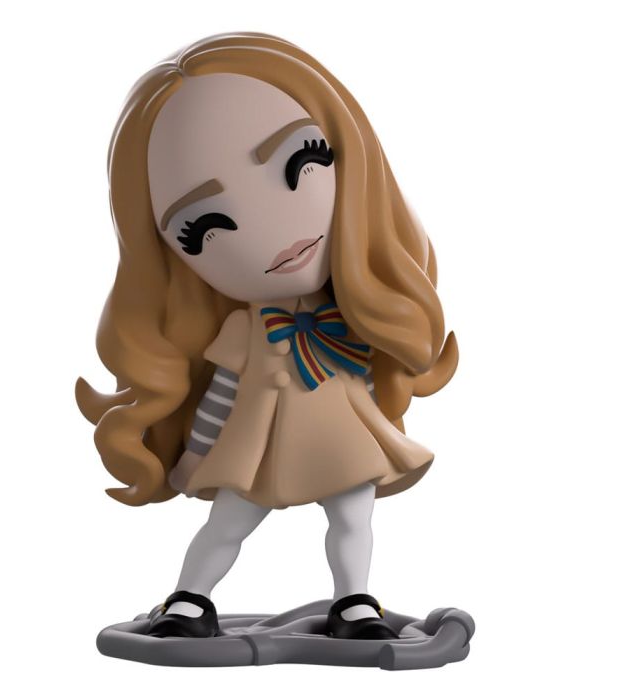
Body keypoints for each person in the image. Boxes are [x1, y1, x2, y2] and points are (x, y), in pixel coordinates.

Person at [76, 32, 458, 640]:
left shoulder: (353, 315)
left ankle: (355, 603)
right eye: (204, 225)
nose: (273, 227)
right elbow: (223, 394)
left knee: (353, 521)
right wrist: (198, 453)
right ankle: (188, 602)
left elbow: (365, 378)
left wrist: (382, 411)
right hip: (259, 449)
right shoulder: (243, 328)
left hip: (343, 441)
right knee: (227, 526)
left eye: (301, 162)